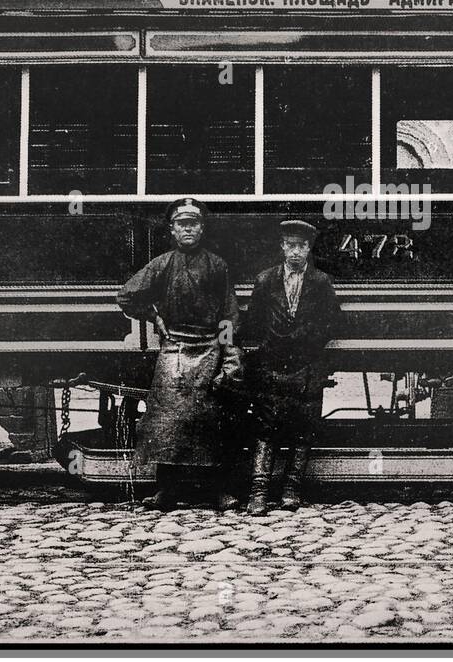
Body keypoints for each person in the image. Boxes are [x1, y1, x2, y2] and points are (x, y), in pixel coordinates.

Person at [116, 198, 243, 510]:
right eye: (182, 224)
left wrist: (229, 354)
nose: (188, 229)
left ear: (202, 228)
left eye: (194, 223)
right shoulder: (162, 264)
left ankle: (219, 490)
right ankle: (166, 490)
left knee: (210, 420)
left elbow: (228, 315)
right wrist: (153, 315)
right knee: (166, 421)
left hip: (209, 348)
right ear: (172, 229)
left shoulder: (217, 265)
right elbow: (126, 296)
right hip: (173, 350)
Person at [238, 219, 342, 515]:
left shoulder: (321, 282)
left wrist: (305, 340)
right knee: (265, 426)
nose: (296, 252)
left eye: (302, 246)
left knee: (303, 428)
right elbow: (254, 321)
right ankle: (258, 491)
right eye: (291, 245)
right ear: (282, 247)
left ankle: (291, 489)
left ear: (309, 249)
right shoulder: (266, 280)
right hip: (272, 363)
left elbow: (331, 322)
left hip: (307, 365)